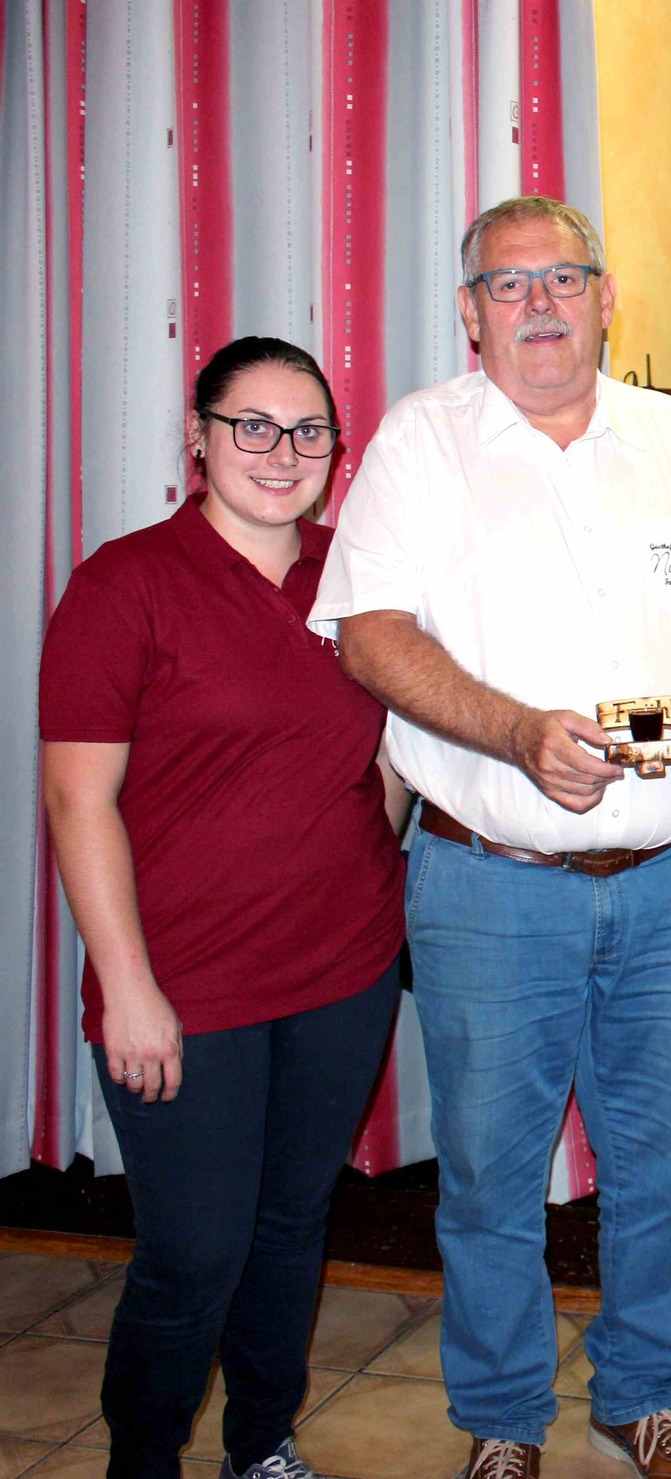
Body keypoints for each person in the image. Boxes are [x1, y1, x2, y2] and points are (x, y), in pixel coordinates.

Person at [313, 196, 671, 1479]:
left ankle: (641, 1400)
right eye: (507, 285)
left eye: (562, 279)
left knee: (658, 1162)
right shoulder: (423, 443)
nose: (538, 304)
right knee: (488, 1175)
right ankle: (503, 1423)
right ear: (470, 314)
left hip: (663, 886)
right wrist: (517, 732)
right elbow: (370, 633)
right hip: (488, 885)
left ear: (603, 296)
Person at [40, 336, 408, 1479]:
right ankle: (142, 1463)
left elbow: (386, 762)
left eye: (307, 431)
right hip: (184, 988)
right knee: (194, 1253)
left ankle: (263, 1446)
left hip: (341, 974)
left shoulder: (357, 579)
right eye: (252, 424)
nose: (280, 451)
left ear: (334, 455)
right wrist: (129, 990)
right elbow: (75, 798)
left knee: (293, 1229)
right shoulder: (125, 583)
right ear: (197, 439)